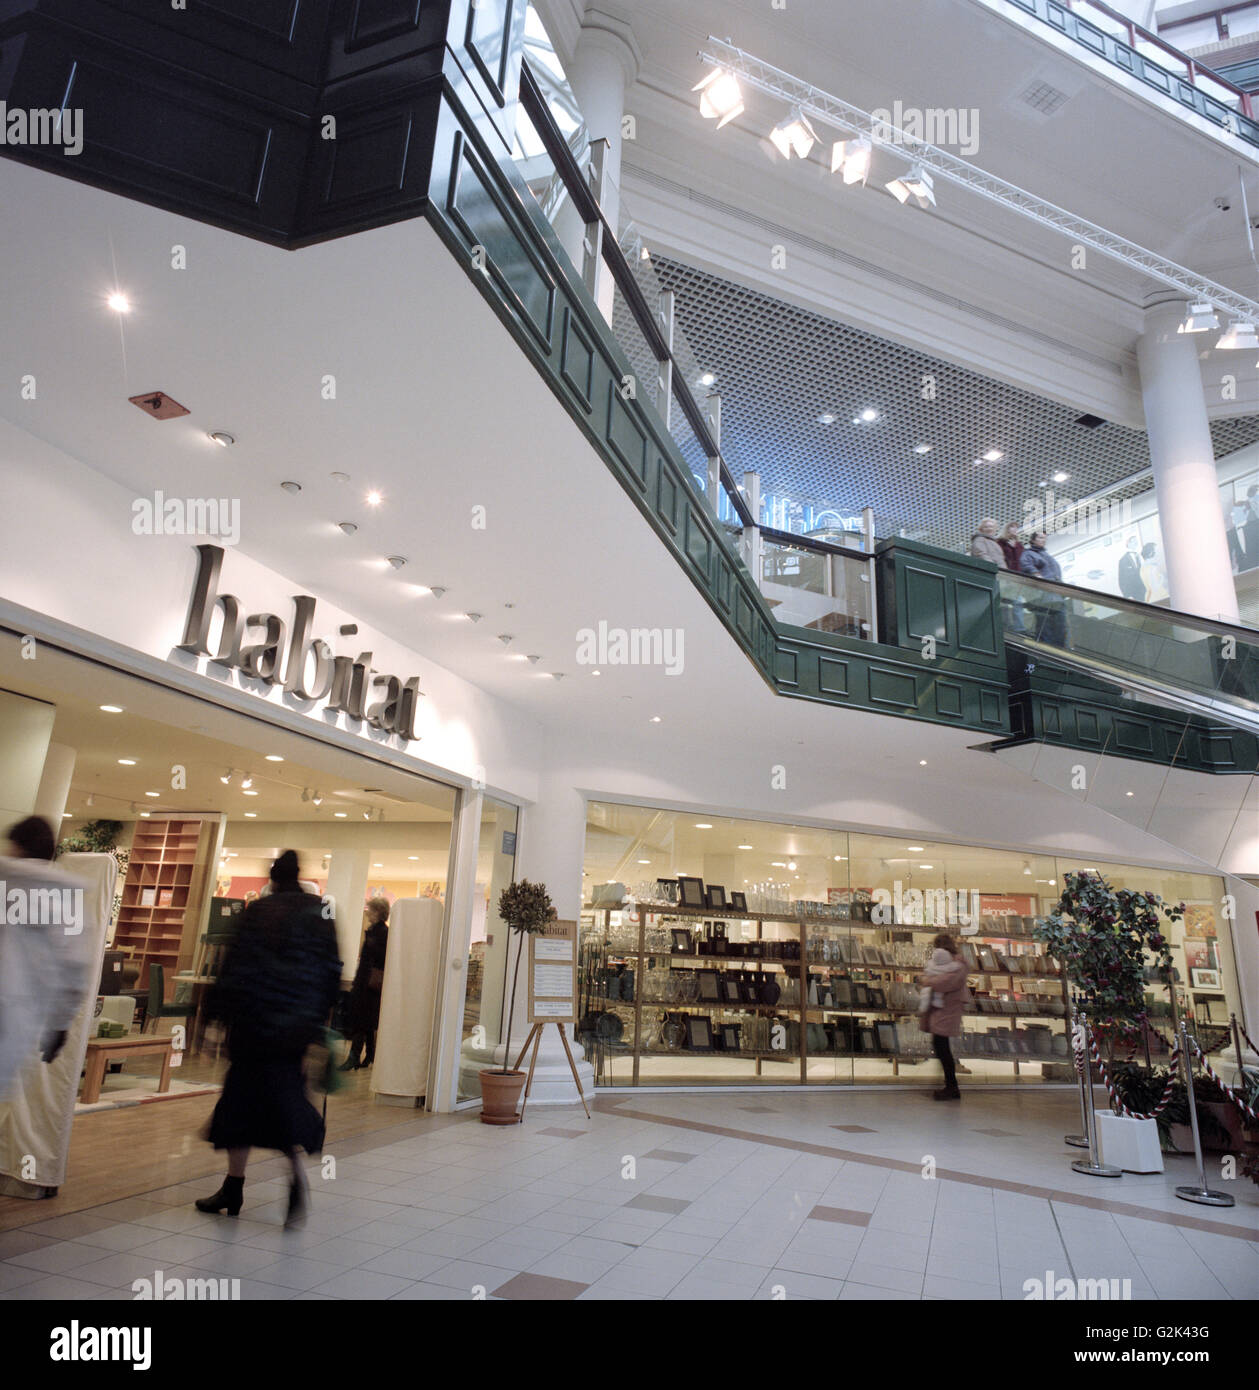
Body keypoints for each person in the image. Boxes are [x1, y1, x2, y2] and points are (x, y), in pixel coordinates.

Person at [195, 851, 340, 1228]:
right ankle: (292, 1177)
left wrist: (213, 1020)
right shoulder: (321, 913)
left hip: (252, 1026)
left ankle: (234, 1186)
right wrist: (321, 1024)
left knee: (240, 1102)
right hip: (294, 1030)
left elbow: (233, 968)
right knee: (285, 1098)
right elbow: (331, 970)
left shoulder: (258, 912)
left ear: (273, 878)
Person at [0, 817, 95, 1101]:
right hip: (18, 1018)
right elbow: (74, 971)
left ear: (17, 847)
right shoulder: (68, 903)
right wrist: (60, 1023)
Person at [340, 897, 389, 1071]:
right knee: (366, 1020)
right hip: (368, 983)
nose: (367, 911)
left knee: (360, 1019)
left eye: (370, 909)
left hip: (368, 983)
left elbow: (377, 959)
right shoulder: (376, 931)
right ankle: (370, 1054)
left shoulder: (380, 933)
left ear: (376, 912)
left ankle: (354, 1056)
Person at [920, 934, 969, 1101]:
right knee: (941, 1045)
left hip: (949, 1009)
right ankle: (950, 1084)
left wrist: (928, 981)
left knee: (942, 1045)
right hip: (944, 1009)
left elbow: (945, 982)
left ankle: (951, 1085)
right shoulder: (950, 963)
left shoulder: (957, 964)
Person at [1019, 531, 1068, 646]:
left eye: (1045, 538)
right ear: (1033, 540)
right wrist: (1036, 574)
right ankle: (1047, 650)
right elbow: (1026, 566)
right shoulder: (1028, 554)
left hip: (1056, 596)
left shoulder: (1047, 555)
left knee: (1060, 626)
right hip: (1042, 596)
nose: (1043, 540)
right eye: (1040, 538)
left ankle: (1061, 650)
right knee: (1045, 626)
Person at [1117, 535, 1144, 601]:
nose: (1136, 543)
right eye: (1134, 541)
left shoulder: (1140, 556)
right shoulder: (1123, 560)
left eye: (1136, 541)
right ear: (1128, 544)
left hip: (1144, 591)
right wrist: (1127, 596)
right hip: (1134, 594)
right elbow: (1122, 580)